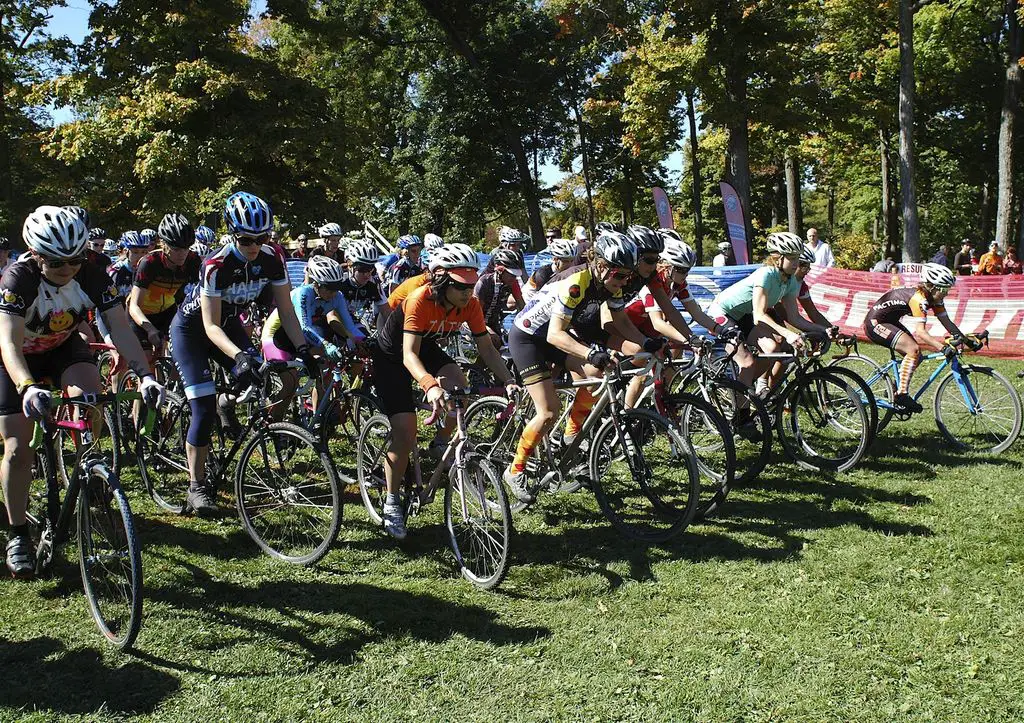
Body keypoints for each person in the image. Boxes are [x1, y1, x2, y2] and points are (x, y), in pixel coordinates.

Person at [1, 206, 164, 577]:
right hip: (17, 357)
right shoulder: (17, 279)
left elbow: (120, 327)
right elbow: (8, 343)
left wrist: (145, 375)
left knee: (91, 398)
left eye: (75, 260)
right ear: (36, 254)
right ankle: (18, 533)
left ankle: (88, 471)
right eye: (57, 262)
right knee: (17, 445)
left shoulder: (92, 271)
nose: (68, 269)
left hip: (62, 347)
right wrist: (26, 387)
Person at [169, 192, 313, 517]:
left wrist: (303, 347)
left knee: (265, 377)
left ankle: (227, 405)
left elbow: (286, 310)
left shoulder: (273, 256)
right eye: (247, 239)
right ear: (233, 233)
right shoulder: (216, 264)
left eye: (261, 238)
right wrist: (238, 356)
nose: (254, 246)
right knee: (202, 408)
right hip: (194, 332)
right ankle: (196, 486)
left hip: (229, 326)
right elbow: (209, 326)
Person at [369, 243, 517, 539]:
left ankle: (440, 443)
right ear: (441, 281)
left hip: (428, 347)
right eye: (460, 286)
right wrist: (430, 385)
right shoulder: (420, 298)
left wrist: (509, 380)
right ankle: (391, 501)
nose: (468, 292)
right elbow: (409, 354)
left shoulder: (470, 305)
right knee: (405, 430)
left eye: (472, 284)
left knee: (461, 390)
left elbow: (486, 349)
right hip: (391, 356)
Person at [505, 233, 643, 501]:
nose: (624, 282)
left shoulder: (610, 284)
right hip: (528, 337)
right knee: (548, 411)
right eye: (619, 275)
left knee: (593, 376)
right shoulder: (577, 282)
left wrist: (646, 344)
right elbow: (555, 335)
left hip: (556, 335)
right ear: (601, 266)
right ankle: (515, 468)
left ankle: (571, 435)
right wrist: (591, 353)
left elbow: (616, 328)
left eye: (628, 276)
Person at [706, 232, 816, 394]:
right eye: (792, 258)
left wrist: (822, 330)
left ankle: (742, 389)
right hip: (721, 312)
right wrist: (789, 334)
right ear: (778, 258)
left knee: (772, 350)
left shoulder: (791, 280)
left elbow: (794, 318)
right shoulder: (766, 274)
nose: (796, 263)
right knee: (748, 363)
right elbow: (759, 315)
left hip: (743, 315)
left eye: (797, 258)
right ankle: (739, 397)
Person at [864, 263, 977, 413]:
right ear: (932, 287)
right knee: (914, 350)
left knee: (917, 357)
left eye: (948, 289)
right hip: (875, 323)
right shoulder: (919, 299)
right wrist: (942, 348)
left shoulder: (934, 298)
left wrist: (967, 340)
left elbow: (946, 322)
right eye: (944, 289)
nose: (946, 293)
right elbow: (921, 332)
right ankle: (901, 394)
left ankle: (894, 389)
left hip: (890, 321)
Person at [129, 213, 202, 354]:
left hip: (167, 312)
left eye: (186, 248)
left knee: (182, 353)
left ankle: (173, 377)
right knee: (147, 357)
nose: (182, 254)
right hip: (141, 314)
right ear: (163, 244)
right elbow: (134, 306)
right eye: (176, 249)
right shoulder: (149, 263)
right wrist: (149, 329)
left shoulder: (193, 260)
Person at [475, 248, 526, 349]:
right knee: (492, 343)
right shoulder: (484, 282)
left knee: (504, 347)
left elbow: (522, 306)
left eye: (516, 275)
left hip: (493, 321)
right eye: (511, 274)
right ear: (499, 270)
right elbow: (475, 314)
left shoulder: (513, 283)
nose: (514, 278)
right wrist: (487, 330)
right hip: (474, 320)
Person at [340, 241, 390, 331]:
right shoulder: (339, 280)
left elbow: (386, 312)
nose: (367, 275)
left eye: (371, 269)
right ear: (350, 265)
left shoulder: (373, 283)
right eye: (363, 269)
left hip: (354, 322)